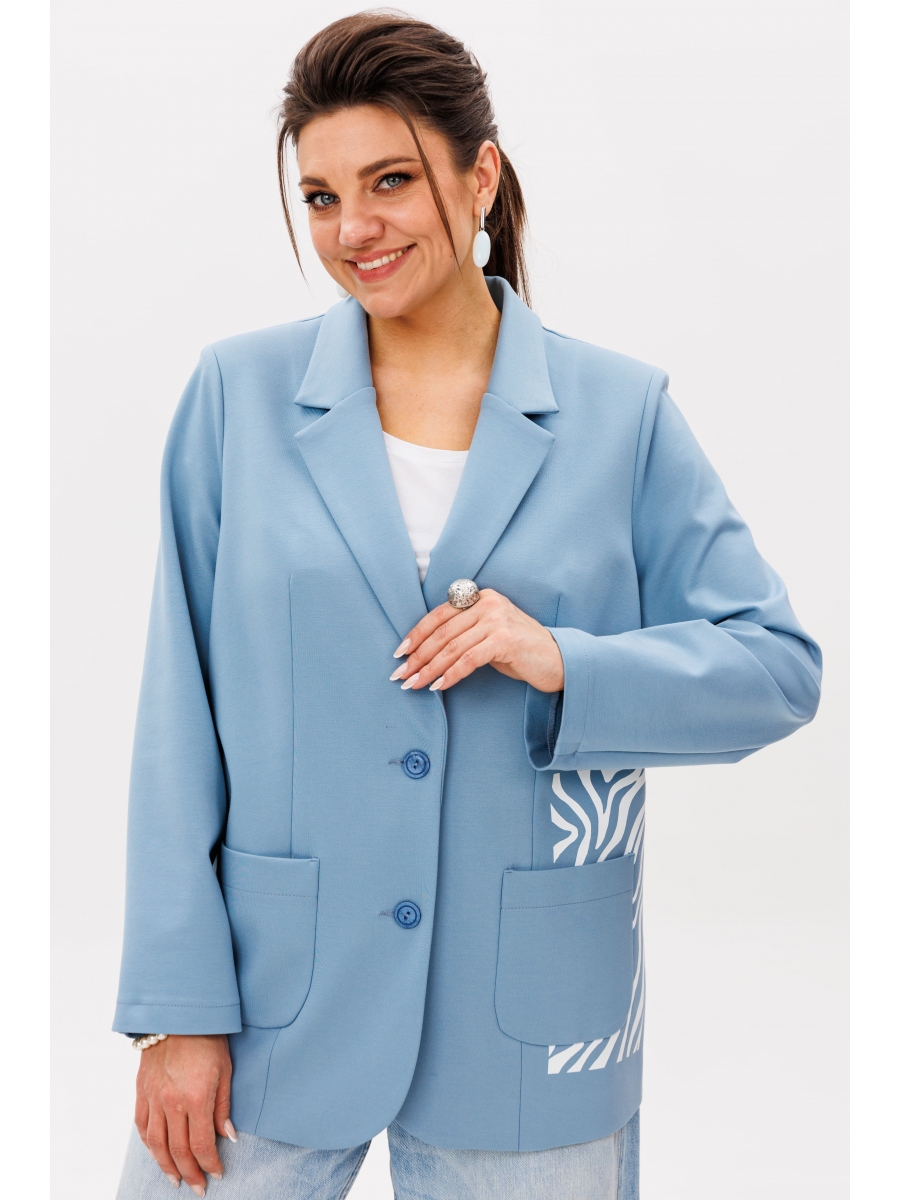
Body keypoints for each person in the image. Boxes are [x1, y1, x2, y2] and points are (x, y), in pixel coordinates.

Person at [114, 12, 821, 1199]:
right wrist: (174, 1009)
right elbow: (175, 717)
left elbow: (779, 667)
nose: (355, 228)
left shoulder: (621, 414)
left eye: (390, 181)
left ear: (479, 175)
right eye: (323, 197)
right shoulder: (238, 397)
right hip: (269, 1008)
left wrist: (563, 660)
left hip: (533, 1021)